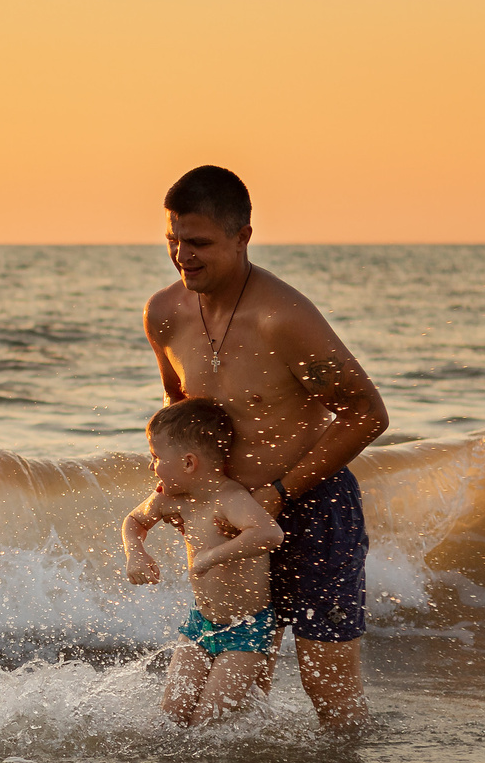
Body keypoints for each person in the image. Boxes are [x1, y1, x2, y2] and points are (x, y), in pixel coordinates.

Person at [143, 165, 388, 728]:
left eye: (199, 243)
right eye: (173, 241)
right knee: (220, 706)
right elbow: (178, 410)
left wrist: (279, 492)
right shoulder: (165, 313)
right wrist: (176, 484)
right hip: (227, 515)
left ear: (242, 236)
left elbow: (367, 414)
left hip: (312, 507)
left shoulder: (284, 318)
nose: (183, 255)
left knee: (330, 695)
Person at [123, 397, 285, 724]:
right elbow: (134, 521)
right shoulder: (171, 497)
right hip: (200, 624)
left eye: (156, 457)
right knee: (172, 717)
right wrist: (135, 552)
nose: (151, 467)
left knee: (206, 725)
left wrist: (212, 555)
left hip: (246, 632)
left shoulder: (230, 498)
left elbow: (269, 534)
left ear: (188, 463)